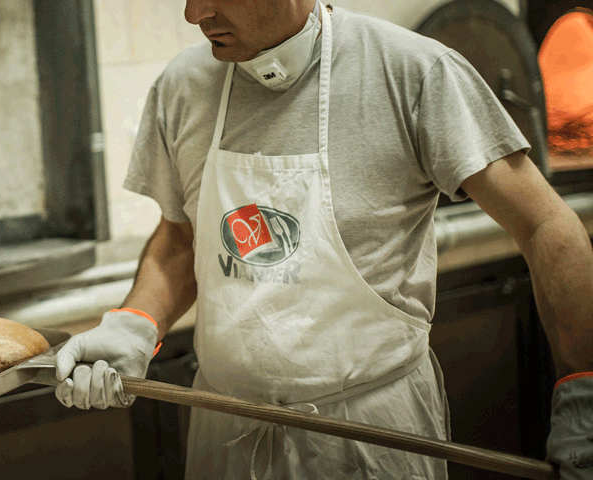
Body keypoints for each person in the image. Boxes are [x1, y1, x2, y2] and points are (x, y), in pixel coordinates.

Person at [53, 0, 593, 478]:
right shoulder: (183, 86)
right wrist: (135, 324)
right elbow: (180, 236)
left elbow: (545, 225)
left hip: (372, 440)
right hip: (226, 429)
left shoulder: (414, 73)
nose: (195, 14)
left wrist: (584, 396)